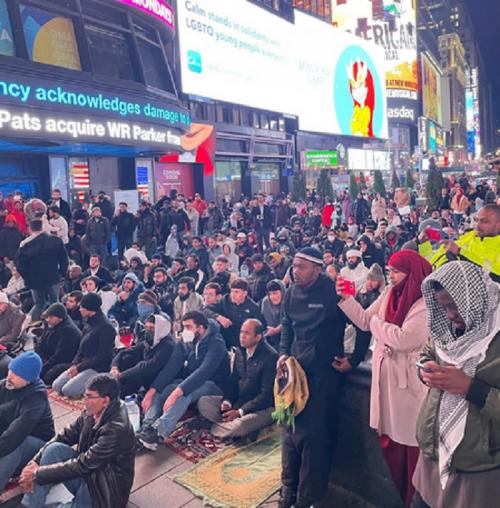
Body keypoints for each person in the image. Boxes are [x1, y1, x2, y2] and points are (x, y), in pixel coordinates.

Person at [338, 250, 432, 506]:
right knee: (389, 439)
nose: (390, 276)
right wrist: (346, 298)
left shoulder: (425, 303)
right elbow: (365, 320)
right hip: (387, 378)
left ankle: (415, 498)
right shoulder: (390, 293)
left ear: (411, 274)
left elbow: (404, 339)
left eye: (396, 271)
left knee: (411, 444)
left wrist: (379, 326)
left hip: (409, 384)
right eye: (389, 271)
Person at [412, 261, 500, 508]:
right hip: (431, 458)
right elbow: (429, 350)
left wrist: (471, 388)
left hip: (478, 469)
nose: (450, 315)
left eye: (454, 306)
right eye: (443, 307)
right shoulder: (449, 327)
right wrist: (425, 369)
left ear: (473, 299)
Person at [277, 247, 346, 508]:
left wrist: (354, 356)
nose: (295, 271)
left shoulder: (332, 291)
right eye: (294, 266)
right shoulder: (291, 291)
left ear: (317, 269)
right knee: (289, 432)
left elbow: (361, 322)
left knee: (314, 439)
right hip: (294, 371)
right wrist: (282, 354)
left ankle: (308, 499)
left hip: (322, 374)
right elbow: (286, 325)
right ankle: (287, 490)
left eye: (301, 267)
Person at [20, 374, 135, 508]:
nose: (83, 400)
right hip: (89, 473)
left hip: (104, 489)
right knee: (54, 449)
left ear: (105, 400)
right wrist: (35, 461)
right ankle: (30, 505)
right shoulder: (91, 412)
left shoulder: (116, 429)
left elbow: (84, 464)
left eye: (89, 396)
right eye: (84, 395)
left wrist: (37, 474)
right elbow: (65, 436)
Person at [137, 311, 230, 451]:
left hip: (214, 383)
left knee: (183, 394)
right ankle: (147, 428)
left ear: (200, 327)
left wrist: (177, 392)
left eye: (188, 327)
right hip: (190, 380)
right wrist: (151, 391)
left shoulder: (216, 342)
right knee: (160, 393)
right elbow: (171, 367)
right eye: (183, 327)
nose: (185, 331)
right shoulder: (185, 342)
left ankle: (158, 432)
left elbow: (204, 372)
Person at [198, 318, 277, 439]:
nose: (242, 336)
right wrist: (227, 401)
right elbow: (233, 380)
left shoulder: (270, 357)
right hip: (239, 401)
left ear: (258, 337)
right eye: (241, 332)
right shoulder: (240, 350)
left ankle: (220, 426)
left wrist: (240, 412)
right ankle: (227, 424)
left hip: (261, 407)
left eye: (247, 333)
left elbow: (266, 396)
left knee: (240, 426)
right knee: (203, 402)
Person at [0, 352, 54, 496]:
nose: (10, 376)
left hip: (36, 442)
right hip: (11, 430)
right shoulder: (7, 384)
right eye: (11, 370)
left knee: (13, 448)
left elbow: (16, 433)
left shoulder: (36, 398)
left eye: (16, 374)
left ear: (28, 380)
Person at [52, 293, 116, 399]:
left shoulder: (106, 327)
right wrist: (74, 364)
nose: (80, 309)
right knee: (56, 385)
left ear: (90, 308)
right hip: (82, 363)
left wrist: (79, 368)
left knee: (67, 390)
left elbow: (104, 355)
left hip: (97, 367)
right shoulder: (88, 322)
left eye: (82, 307)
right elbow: (81, 347)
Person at [420, 203, 500, 282]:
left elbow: (496, 274)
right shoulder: (467, 237)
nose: (477, 225)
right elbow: (428, 261)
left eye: (484, 221)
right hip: (428, 277)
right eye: (476, 220)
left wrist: (460, 252)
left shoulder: (496, 247)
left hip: (452, 287)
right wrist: (423, 243)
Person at [16, 218, 69, 322]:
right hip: (53, 277)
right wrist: (62, 274)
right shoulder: (55, 240)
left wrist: (27, 279)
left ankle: (27, 324)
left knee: (39, 304)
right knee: (55, 303)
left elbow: (20, 265)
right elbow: (64, 259)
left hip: (35, 280)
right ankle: (59, 324)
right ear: (42, 227)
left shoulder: (25, 245)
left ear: (30, 229)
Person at [111, 314, 175, 396]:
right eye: (146, 327)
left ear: (160, 329)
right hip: (145, 372)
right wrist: (114, 367)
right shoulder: (149, 339)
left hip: (159, 379)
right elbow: (126, 351)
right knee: (127, 358)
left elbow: (149, 366)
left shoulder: (167, 345)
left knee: (138, 372)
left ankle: (118, 396)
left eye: (152, 328)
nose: (148, 330)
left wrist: (121, 375)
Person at [206, 278, 266, 349]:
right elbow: (206, 310)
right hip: (224, 338)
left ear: (245, 293)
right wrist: (219, 317)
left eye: (237, 292)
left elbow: (262, 327)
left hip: (242, 342)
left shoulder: (253, 307)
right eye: (232, 291)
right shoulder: (225, 300)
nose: (233, 295)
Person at [35, 303, 82, 386]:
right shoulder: (51, 323)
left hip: (63, 361)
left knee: (48, 376)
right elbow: (40, 343)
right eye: (47, 317)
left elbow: (60, 356)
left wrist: (43, 367)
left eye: (51, 317)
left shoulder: (68, 331)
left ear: (60, 318)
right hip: (48, 357)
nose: (48, 319)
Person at [261, 279, 285, 350]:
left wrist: (277, 330)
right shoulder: (266, 302)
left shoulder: (289, 301)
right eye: (270, 294)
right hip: (270, 339)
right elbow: (264, 321)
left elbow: (290, 321)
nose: (272, 297)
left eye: (275, 293)